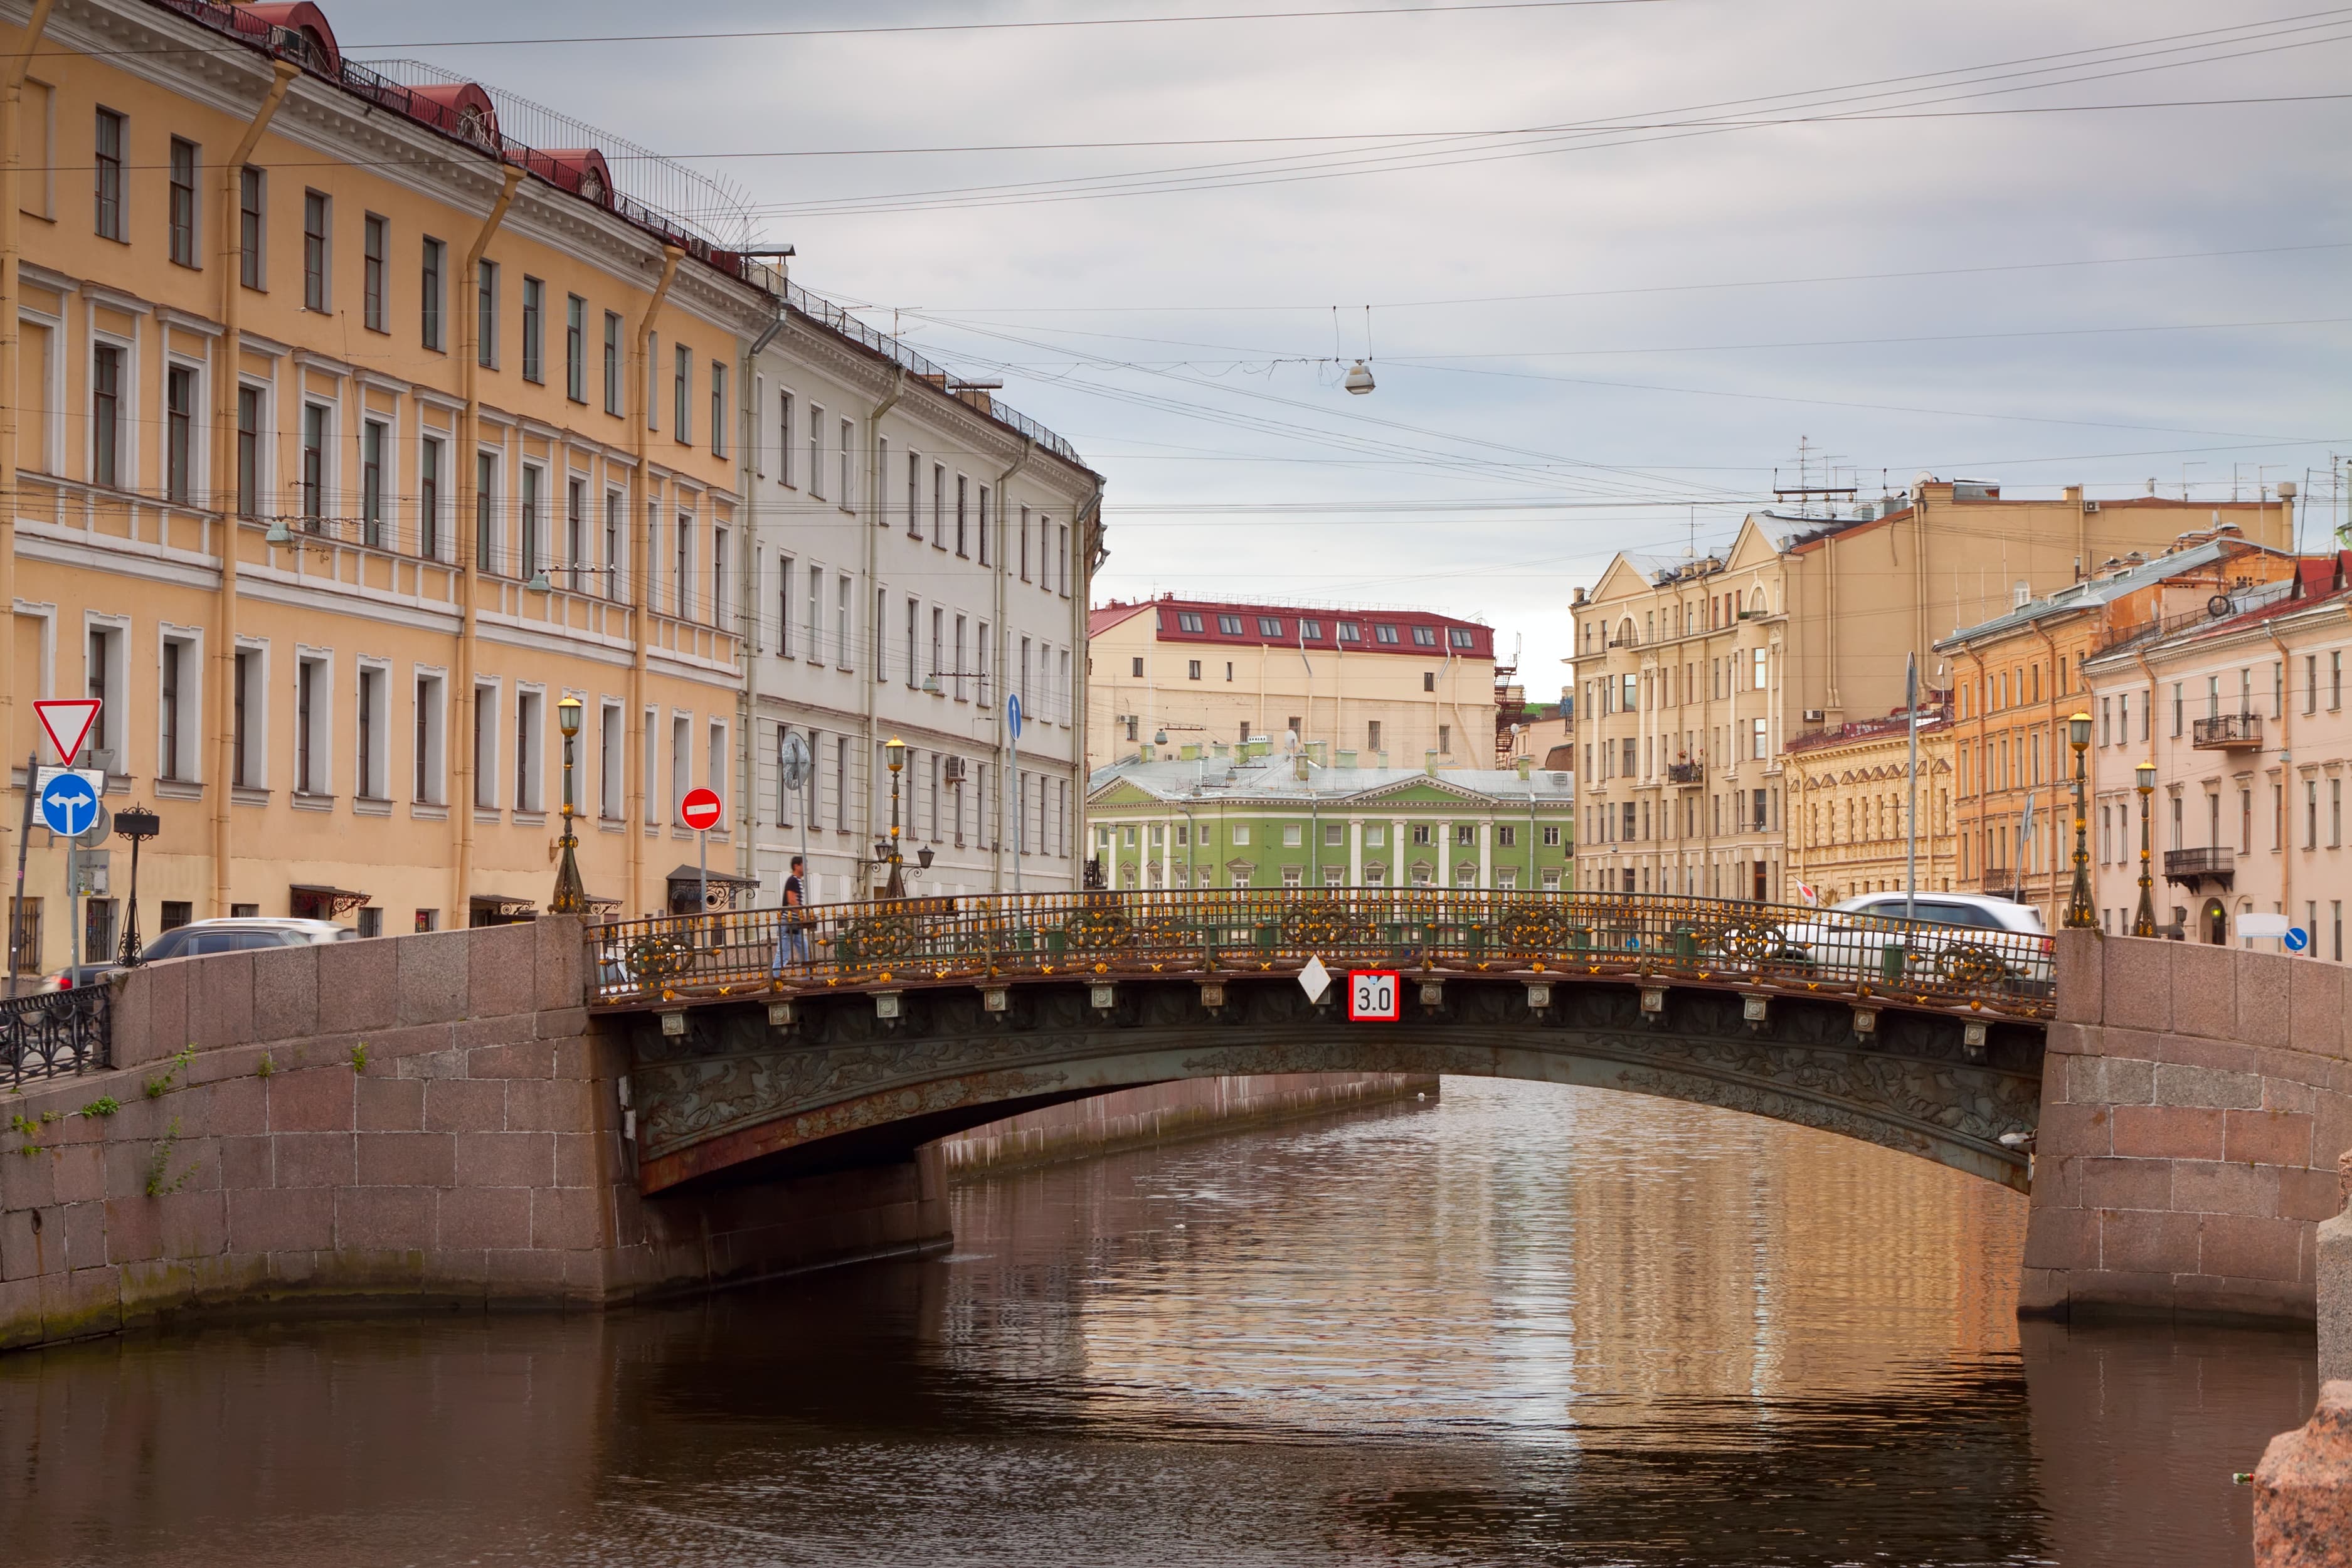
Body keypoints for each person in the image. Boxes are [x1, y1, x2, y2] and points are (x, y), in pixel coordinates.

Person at [771, 856, 811, 975]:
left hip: (794, 923)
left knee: (804, 949)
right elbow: (792, 900)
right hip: (789, 922)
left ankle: (807, 978)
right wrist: (802, 916)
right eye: (804, 865)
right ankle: (774, 979)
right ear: (797, 866)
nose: (806, 868)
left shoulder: (797, 881)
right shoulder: (793, 880)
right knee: (784, 953)